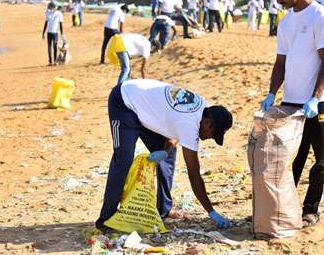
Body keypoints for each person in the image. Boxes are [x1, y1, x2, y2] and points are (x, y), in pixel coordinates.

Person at [96, 78, 233, 231]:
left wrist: (165, 151)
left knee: (168, 154)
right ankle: (106, 219)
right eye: (213, 135)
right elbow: (194, 174)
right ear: (207, 123)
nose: (210, 138)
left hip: (145, 107)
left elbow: (173, 125)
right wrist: (211, 211)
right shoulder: (190, 124)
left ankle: (164, 209)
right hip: (124, 102)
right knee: (123, 160)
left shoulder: (202, 109)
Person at [260, 0, 324, 228]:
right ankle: (286, 206)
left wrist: (316, 98)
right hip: (291, 101)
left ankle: (311, 209)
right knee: (291, 157)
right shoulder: (285, 22)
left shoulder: (321, 16)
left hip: (318, 103)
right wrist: (272, 92)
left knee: (321, 157)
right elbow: (280, 62)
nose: (277, 1)